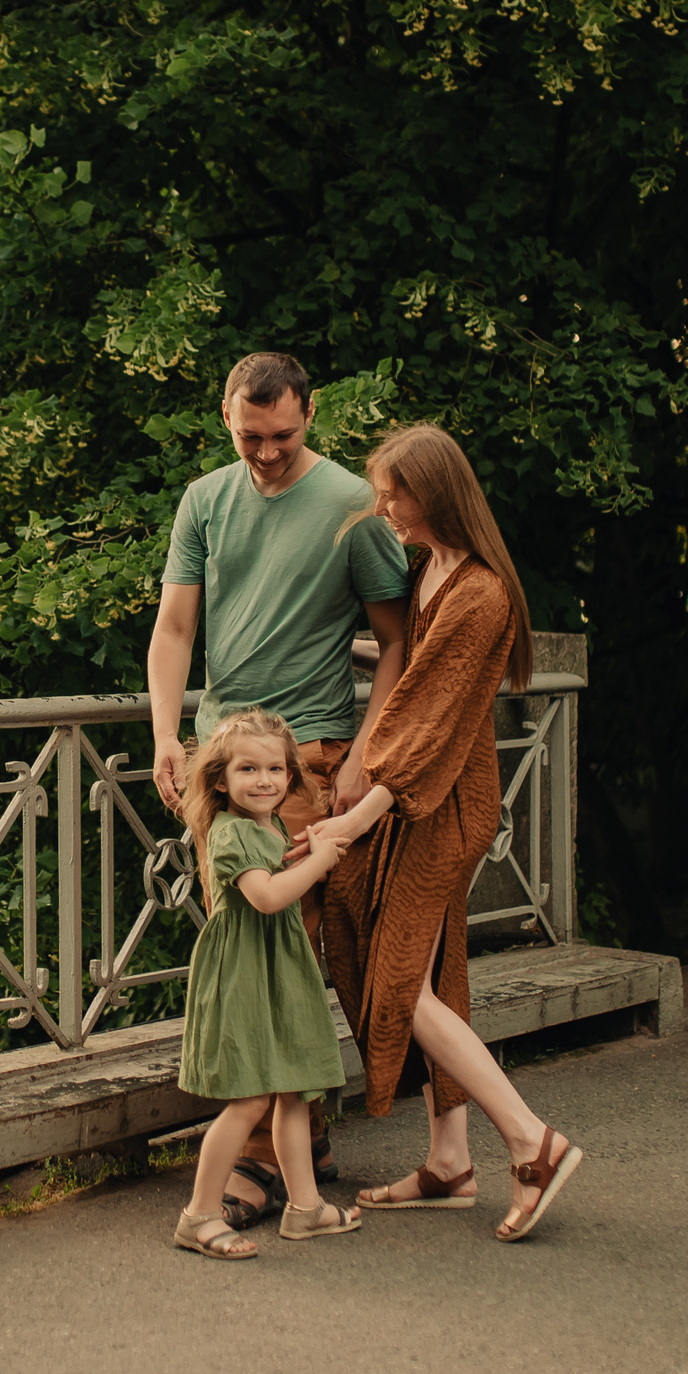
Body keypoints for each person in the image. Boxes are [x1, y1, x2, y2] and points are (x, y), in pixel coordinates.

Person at [148, 351, 409, 1226]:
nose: (264, 452)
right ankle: (304, 1134)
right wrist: (166, 739)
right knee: (256, 942)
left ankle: (258, 1164)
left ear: (311, 415)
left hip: (306, 757)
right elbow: (177, 625)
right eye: (248, 435)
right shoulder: (204, 500)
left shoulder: (350, 506)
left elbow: (396, 643)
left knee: (277, 939)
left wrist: (363, 755)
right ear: (226, 415)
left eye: (283, 435)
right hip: (222, 756)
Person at [316, 422, 585, 1242]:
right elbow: (415, 672)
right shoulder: (433, 569)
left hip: (444, 807)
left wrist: (356, 814)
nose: (385, 506)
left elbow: (431, 716)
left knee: (401, 986)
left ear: (437, 491)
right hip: (417, 800)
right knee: (428, 972)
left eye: (396, 492)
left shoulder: (481, 594)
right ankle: (449, 1161)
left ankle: (532, 1142)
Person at [171, 709, 363, 1259]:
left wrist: (307, 846)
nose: (264, 781)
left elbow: (277, 873)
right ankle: (199, 1215)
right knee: (250, 1097)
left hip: (276, 969)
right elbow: (268, 896)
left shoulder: (268, 825)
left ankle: (305, 1208)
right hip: (246, 976)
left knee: (294, 1089)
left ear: (291, 775)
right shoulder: (229, 832)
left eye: (276, 769)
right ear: (219, 780)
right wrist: (322, 859)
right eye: (248, 769)